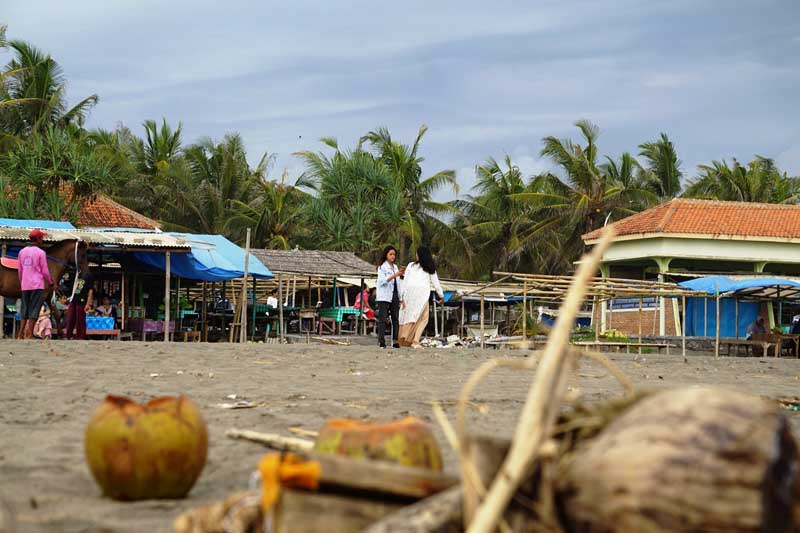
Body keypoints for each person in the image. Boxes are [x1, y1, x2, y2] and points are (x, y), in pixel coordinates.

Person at [398, 246, 444, 349]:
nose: (416, 255)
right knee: (423, 319)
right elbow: (436, 283)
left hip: (409, 294)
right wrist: (441, 296)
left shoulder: (410, 265)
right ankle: (415, 341)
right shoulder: (430, 267)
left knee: (410, 316)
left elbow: (405, 282)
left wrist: (402, 297)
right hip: (422, 295)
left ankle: (405, 337)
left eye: (417, 253)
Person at [16, 229, 54, 340]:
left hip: (25, 285)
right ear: (38, 239)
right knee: (34, 309)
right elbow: (45, 270)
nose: (42, 240)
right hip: (37, 285)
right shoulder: (41, 253)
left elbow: (20, 270)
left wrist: (22, 282)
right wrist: (50, 282)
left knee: (24, 308)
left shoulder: (22, 252)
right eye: (41, 238)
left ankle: (20, 333)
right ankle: (29, 334)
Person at [376, 245, 404, 349]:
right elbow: (382, 281)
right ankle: (381, 341)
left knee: (395, 318)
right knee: (383, 318)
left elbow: (398, 284)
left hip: (395, 294)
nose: (393, 256)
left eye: (394, 254)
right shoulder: (382, 267)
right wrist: (395, 275)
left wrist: (401, 298)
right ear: (386, 255)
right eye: (391, 254)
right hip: (384, 295)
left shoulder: (395, 267)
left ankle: (395, 341)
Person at [65, 269, 93, 340]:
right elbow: (75, 289)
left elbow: (90, 290)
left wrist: (88, 303)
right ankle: (68, 335)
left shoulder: (88, 275)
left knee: (80, 319)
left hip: (82, 300)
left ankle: (80, 336)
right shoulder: (76, 274)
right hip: (74, 299)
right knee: (70, 318)